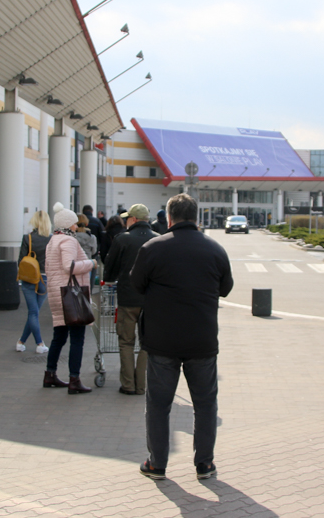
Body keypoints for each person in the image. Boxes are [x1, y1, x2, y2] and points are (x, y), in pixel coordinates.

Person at [130, 193, 233, 482]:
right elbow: (226, 289)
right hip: (202, 340)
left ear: (169, 217)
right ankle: (204, 464)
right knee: (205, 404)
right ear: (196, 217)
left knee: (158, 405)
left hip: (161, 341)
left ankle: (157, 464)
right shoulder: (215, 249)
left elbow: (136, 284)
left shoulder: (153, 248)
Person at [103, 203, 158, 395]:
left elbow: (109, 270)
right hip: (150, 300)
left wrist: (111, 278)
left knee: (126, 341)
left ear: (133, 219)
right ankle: (141, 384)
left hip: (127, 298)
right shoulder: (158, 239)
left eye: (127, 218)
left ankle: (128, 384)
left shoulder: (122, 239)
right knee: (147, 343)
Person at [42, 202, 96, 395]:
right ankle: (75, 379)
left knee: (59, 337)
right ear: (67, 224)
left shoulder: (53, 240)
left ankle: (50, 374)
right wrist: (90, 263)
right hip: (70, 296)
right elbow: (69, 266)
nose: (76, 225)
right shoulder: (69, 241)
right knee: (77, 339)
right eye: (74, 223)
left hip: (57, 294)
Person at [16, 210, 52, 354]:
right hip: (44, 279)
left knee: (33, 312)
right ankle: (38, 343)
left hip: (29, 278)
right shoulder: (51, 239)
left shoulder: (27, 238)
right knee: (34, 312)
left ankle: (22, 342)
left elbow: (21, 261)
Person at [75, 213, 99, 287]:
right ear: (86, 224)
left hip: (75, 265)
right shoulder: (92, 237)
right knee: (86, 288)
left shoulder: (71, 237)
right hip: (87, 264)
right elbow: (94, 251)